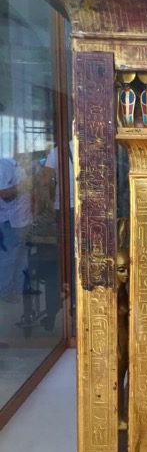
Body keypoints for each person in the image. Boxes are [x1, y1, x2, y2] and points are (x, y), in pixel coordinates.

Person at [38, 140, 74, 330]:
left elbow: (44, 180)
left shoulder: (58, 151)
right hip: (91, 210)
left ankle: (54, 312)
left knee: (62, 261)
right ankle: (78, 307)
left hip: (65, 209)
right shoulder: (95, 146)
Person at [0, 158, 32, 303]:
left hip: (22, 220)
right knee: (9, 259)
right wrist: (26, 184)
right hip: (12, 222)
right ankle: (5, 292)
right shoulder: (4, 165)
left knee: (21, 258)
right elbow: (5, 194)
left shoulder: (12, 164)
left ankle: (20, 289)